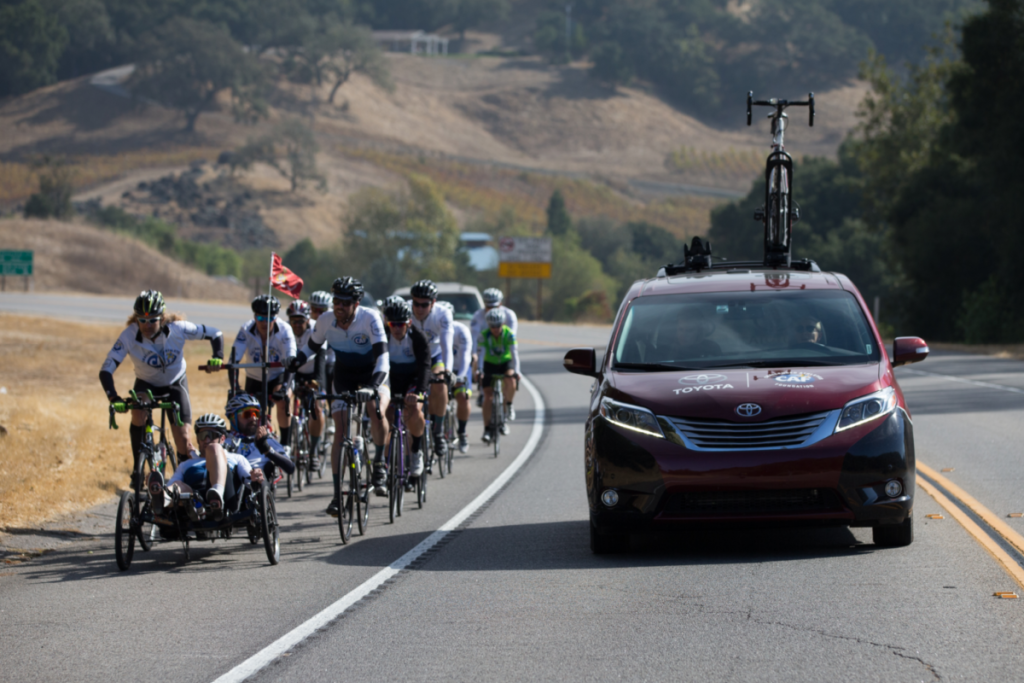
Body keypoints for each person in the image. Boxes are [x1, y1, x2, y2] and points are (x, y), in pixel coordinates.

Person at [288, 277, 390, 517]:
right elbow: (311, 347)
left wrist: (373, 386)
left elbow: (383, 357)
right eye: (336, 301)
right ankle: (336, 495)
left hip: (371, 374)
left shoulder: (370, 318)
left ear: (356, 303)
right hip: (344, 377)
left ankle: (378, 463)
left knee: (376, 410)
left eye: (344, 302)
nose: (339, 306)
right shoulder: (325, 320)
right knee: (341, 432)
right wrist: (296, 361)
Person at [100, 290, 224, 482]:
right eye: (142, 320)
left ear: (162, 317)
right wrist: (114, 398)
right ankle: (138, 468)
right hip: (146, 383)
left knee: (183, 439)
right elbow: (106, 370)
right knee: (138, 412)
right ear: (136, 319)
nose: (147, 325)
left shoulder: (178, 328)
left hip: (175, 384)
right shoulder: (129, 335)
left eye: (152, 320)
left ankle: (185, 477)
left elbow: (215, 333)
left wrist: (217, 356)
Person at [147, 413, 258, 522]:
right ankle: (161, 498)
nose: (206, 440)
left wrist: (255, 476)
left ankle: (216, 496)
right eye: (202, 435)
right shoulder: (186, 464)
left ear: (223, 438)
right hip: (194, 504)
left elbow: (249, 479)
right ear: (197, 439)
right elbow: (173, 484)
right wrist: (157, 484)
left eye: (212, 435)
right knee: (177, 485)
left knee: (214, 448)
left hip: (226, 502)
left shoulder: (236, 458)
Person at [221, 295, 297, 447]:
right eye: (260, 317)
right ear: (254, 316)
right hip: (254, 377)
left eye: (269, 318)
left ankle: (286, 444)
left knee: (283, 401)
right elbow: (234, 361)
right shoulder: (246, 329)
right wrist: (236, 387)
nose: (264, 322)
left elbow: (292, 361)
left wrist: (283, 389)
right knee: (245, 408)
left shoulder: (285, 330)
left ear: (275, 318)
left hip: (278, 375)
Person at [381, 296, 430, 491]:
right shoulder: (382, 335)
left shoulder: (418, 337)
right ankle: (385, 464)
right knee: (386, 415)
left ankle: (416, 451)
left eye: (401, 324)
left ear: (409, 323)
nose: (397, 328)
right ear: (388, 323)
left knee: (415, 409)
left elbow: (426, 367)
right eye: (393, 324)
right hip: (391, 379)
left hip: (412, 380)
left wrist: (419, 393)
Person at [409, 280, 454, 461]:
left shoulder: (443, 314)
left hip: (434, 356)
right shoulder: (405, 311)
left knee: (440, 384)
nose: (419, 308)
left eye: (424, 304)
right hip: (411, 357)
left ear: (433, 303)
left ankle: (438, 431)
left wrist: (448, 371)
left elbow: (446, 346)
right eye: (416, 303)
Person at [223, 393, 296, 484]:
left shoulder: (266, 440)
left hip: (259, 486)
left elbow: (290, 468)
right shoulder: (223, 441)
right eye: (247, 414)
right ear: (232, 417)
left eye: (255, 413)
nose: (253, 418)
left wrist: (267, 450)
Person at [287, 299, 325, 469]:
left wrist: (317, 381)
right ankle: (287, 445)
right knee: (285, 401)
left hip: (312, 373)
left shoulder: (317, 329)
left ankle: (314, 451)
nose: (296, 324)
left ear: (308, 320)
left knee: (316, 408)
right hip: (292, 372)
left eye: (300, 321)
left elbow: (321, 358)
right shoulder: (285, 330)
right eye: (293, 320)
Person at [470, 288, 518, 414]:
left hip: (503, 350)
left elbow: (511, 338)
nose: (490, 309)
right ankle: (481, 392)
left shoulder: (509, 315)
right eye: (487, 306)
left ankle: (507, 400)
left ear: (500, 304)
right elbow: (475, 338)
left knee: (509, 377)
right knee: (476, 358)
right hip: (485, 346)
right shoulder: (478, 315)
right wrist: (474, 354)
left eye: (494, 306)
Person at [477, 307, 520, 443]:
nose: (495, 329)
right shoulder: (483, 335)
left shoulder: (509, 334)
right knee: (488, 398)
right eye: (492, 326)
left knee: (510, 381)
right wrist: (480, 370)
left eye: (498, 325)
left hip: (505, 363)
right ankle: (487, 429)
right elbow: (481, 354)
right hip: (489, 364)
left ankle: (509, 404)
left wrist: (517, 371)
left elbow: (515, 355)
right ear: (488, 325)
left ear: (503, 324)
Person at [437, 300, 473, 453]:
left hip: (460, 369)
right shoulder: (435, 329)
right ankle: (435, 432)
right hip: (441, 370)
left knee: (463, 397)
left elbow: (466, 357)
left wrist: (461, 377)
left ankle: (462, 433)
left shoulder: (462, 330)